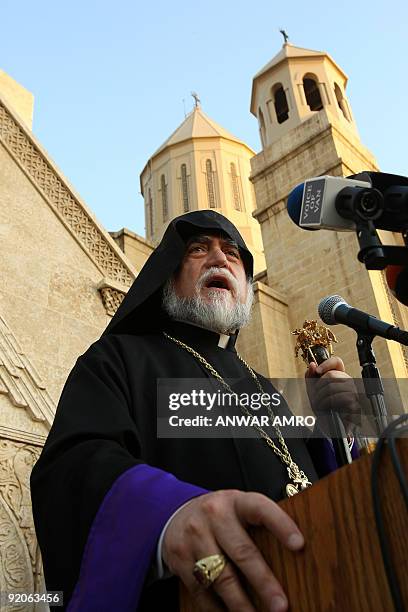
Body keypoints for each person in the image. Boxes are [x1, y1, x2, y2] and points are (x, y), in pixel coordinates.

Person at [30, 210, 357, 612]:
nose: (219, 259)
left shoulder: (265, 388)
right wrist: (166, 515)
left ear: (247, 289)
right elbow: (73, 466)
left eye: (232, 254)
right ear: (168, 275)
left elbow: (304, 479)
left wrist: (336, 429)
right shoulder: (120, 358)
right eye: (198, 249)